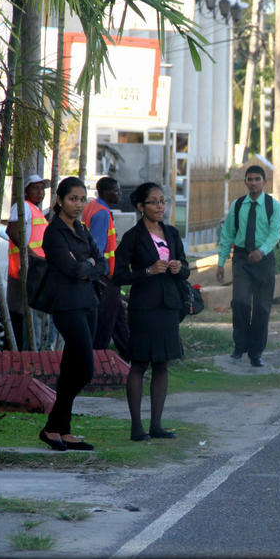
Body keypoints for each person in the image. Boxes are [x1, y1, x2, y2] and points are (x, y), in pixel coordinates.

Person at [113, 182, 190, 441]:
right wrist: (147, 271)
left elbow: (187, 268)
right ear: (140, 207)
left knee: (162, 363)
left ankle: (157, 424)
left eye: (163, 201)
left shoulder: (172, 233)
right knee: (139, 363)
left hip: (169, 306)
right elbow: (119, 275)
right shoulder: (133, 237)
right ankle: (137, 426)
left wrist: (180, 267)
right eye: (154, 202)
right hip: (144, 307)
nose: (160, 206)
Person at [38, 176, 108, 452]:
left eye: (82, 199)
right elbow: (73, 270)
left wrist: (88, 264)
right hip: (66, 306)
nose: (78, 204)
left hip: (89, 302)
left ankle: (59, 430)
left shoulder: (81, 228)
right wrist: (87, 265)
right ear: (59, 200)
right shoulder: (54, 232)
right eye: (72, 199)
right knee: (85, 369)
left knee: (70, 370)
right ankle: (53, 425)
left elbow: (100, 263)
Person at [216, 165, 280, 367]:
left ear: (264, 182)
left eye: (257, 179)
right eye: (250, 179)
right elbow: (227, 235)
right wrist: (220, 262)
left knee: (262, 308)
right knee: (241, 302)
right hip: (243, 259)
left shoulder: (274, 205)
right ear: (245, 182)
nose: (253, 183)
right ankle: (239, 346)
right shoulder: (237, 206)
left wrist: (261, 251)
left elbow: (275, 234)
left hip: (264, 260)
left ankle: (256, 353)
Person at [82, 176, 131, 357]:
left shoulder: (92, 206)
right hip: (106, 277)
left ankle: (130, 357)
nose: (119, 194)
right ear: (105, 192)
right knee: (106, 323)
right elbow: (98, 248)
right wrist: (104, 274)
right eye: (116, 191)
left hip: (108, 276)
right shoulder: (102, 213)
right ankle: (98, 362)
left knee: (119, 320)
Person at [6, 174, 50, 351]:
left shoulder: (35, 209)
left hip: (37, 268)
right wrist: (30, 253)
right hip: (26, 269)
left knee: (32, 317)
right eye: (35, 188)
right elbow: (12, 229)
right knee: (27, 317)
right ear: (26, 190)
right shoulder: (22, 206)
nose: (40, 192)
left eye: (42, 188)